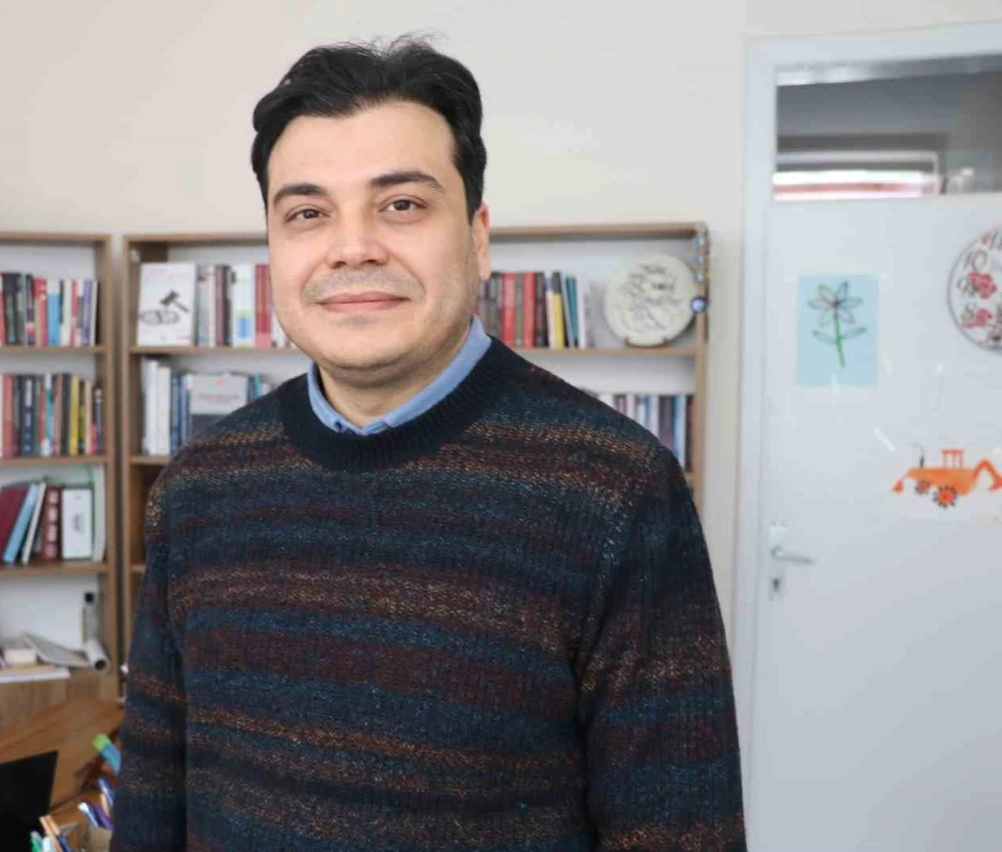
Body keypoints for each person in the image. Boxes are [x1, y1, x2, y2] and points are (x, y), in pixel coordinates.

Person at [112, 36, 745, 852]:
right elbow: (151, 802)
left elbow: (681, 832)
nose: (352, 247)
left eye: (402, 205)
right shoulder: (198, 487)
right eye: (307, 214)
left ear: (478, 237)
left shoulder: (616, 491)